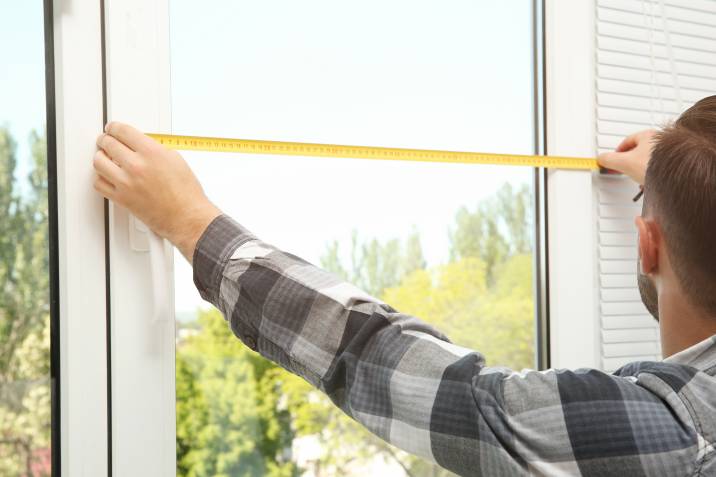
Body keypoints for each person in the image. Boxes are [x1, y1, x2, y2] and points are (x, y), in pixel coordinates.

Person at [92, 96, 716, 476]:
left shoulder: (675, 435)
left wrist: (191, 222)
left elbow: (382, 360)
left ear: (646, 243)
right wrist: (682, 171)